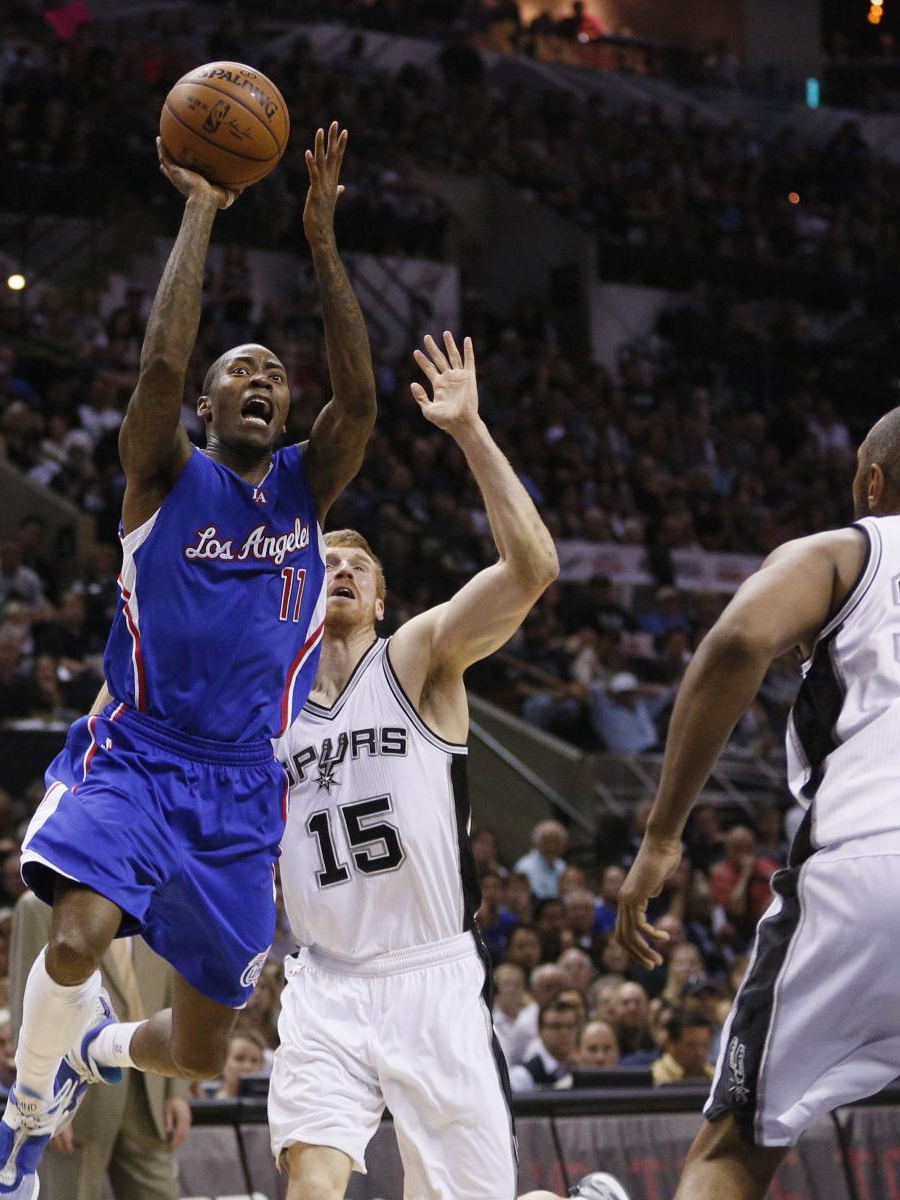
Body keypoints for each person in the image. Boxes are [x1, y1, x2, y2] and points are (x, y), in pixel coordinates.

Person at [0, 123, 377, 1200]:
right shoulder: (163, 473)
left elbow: (363, 402)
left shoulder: (304, 490)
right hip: (140, 754)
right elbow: (160, 360)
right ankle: (24, 1111)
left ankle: (94, 1049)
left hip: (247, 781)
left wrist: (322, 241)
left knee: (201, 1048)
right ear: (205, 409)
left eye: (273, 378)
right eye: (239, 374)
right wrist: (203, 209)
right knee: (77, 930)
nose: (262, 382)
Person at [270, 332, 624, 1200]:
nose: (341, 568)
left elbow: (533, 569)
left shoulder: (416, 656)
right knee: (309, 1185)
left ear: (384, 600)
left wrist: (469, 431)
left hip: (430, 976)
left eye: (360, 565)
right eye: (326, 562)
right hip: (322, 982)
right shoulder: (265, 705)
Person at [616, 407, 900, 1200]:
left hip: (870, 865)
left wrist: (664, 835)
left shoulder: (850, 548)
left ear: (872, 483)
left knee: (730, 1155)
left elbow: (738, 641)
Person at [7, 890, 191, 1200]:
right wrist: (40, 1096)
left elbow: (173, 995)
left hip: (149, 1090)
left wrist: (178, 1089)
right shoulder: (40, 903)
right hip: (74, 1090)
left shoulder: (159, 901)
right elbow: (26, 1008)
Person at [650, 1011, 714, 1087]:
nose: (699, 1052)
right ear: (671, 1044)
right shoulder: (654, 1078)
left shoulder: (716, 1075)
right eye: (691, 1046)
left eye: (705, 1045)